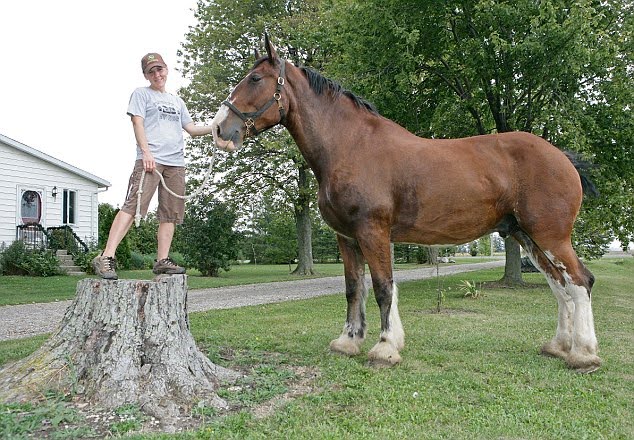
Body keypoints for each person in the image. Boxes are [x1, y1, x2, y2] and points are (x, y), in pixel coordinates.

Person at [93, 53, 214, 280]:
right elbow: (137, 122)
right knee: (133, 206)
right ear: (146, 75)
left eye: (159, 69)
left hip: (176, 163)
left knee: (170, 214)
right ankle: (106, 257)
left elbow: (191, 128)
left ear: (166, 69)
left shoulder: (178, 102)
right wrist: (146, 153)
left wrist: (215, 126)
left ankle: (162, 261)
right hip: (150, 161)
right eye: (151, 71)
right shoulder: (141, 94)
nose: (157, 74)